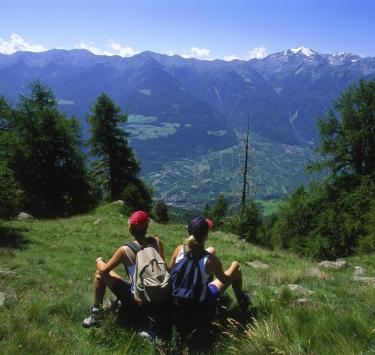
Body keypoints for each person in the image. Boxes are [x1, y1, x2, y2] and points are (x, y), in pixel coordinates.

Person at [82, 210, 166, 329]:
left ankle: (96, 315)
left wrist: (99, 260)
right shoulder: (157, 242)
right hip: (159, 297)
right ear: (146, 227)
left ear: (131, 227)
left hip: (138, 301)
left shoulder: (125, 250)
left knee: (99, 274)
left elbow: (104, 271)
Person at [169, 216, 251, 331]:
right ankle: (242, 300)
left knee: (211, 249)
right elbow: (225, 280)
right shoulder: (211, 261)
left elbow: (171, 271)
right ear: (206, 236)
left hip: (176, 304)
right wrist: (235, 264)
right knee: (236, 270)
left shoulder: (179, 250)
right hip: (198, 307)